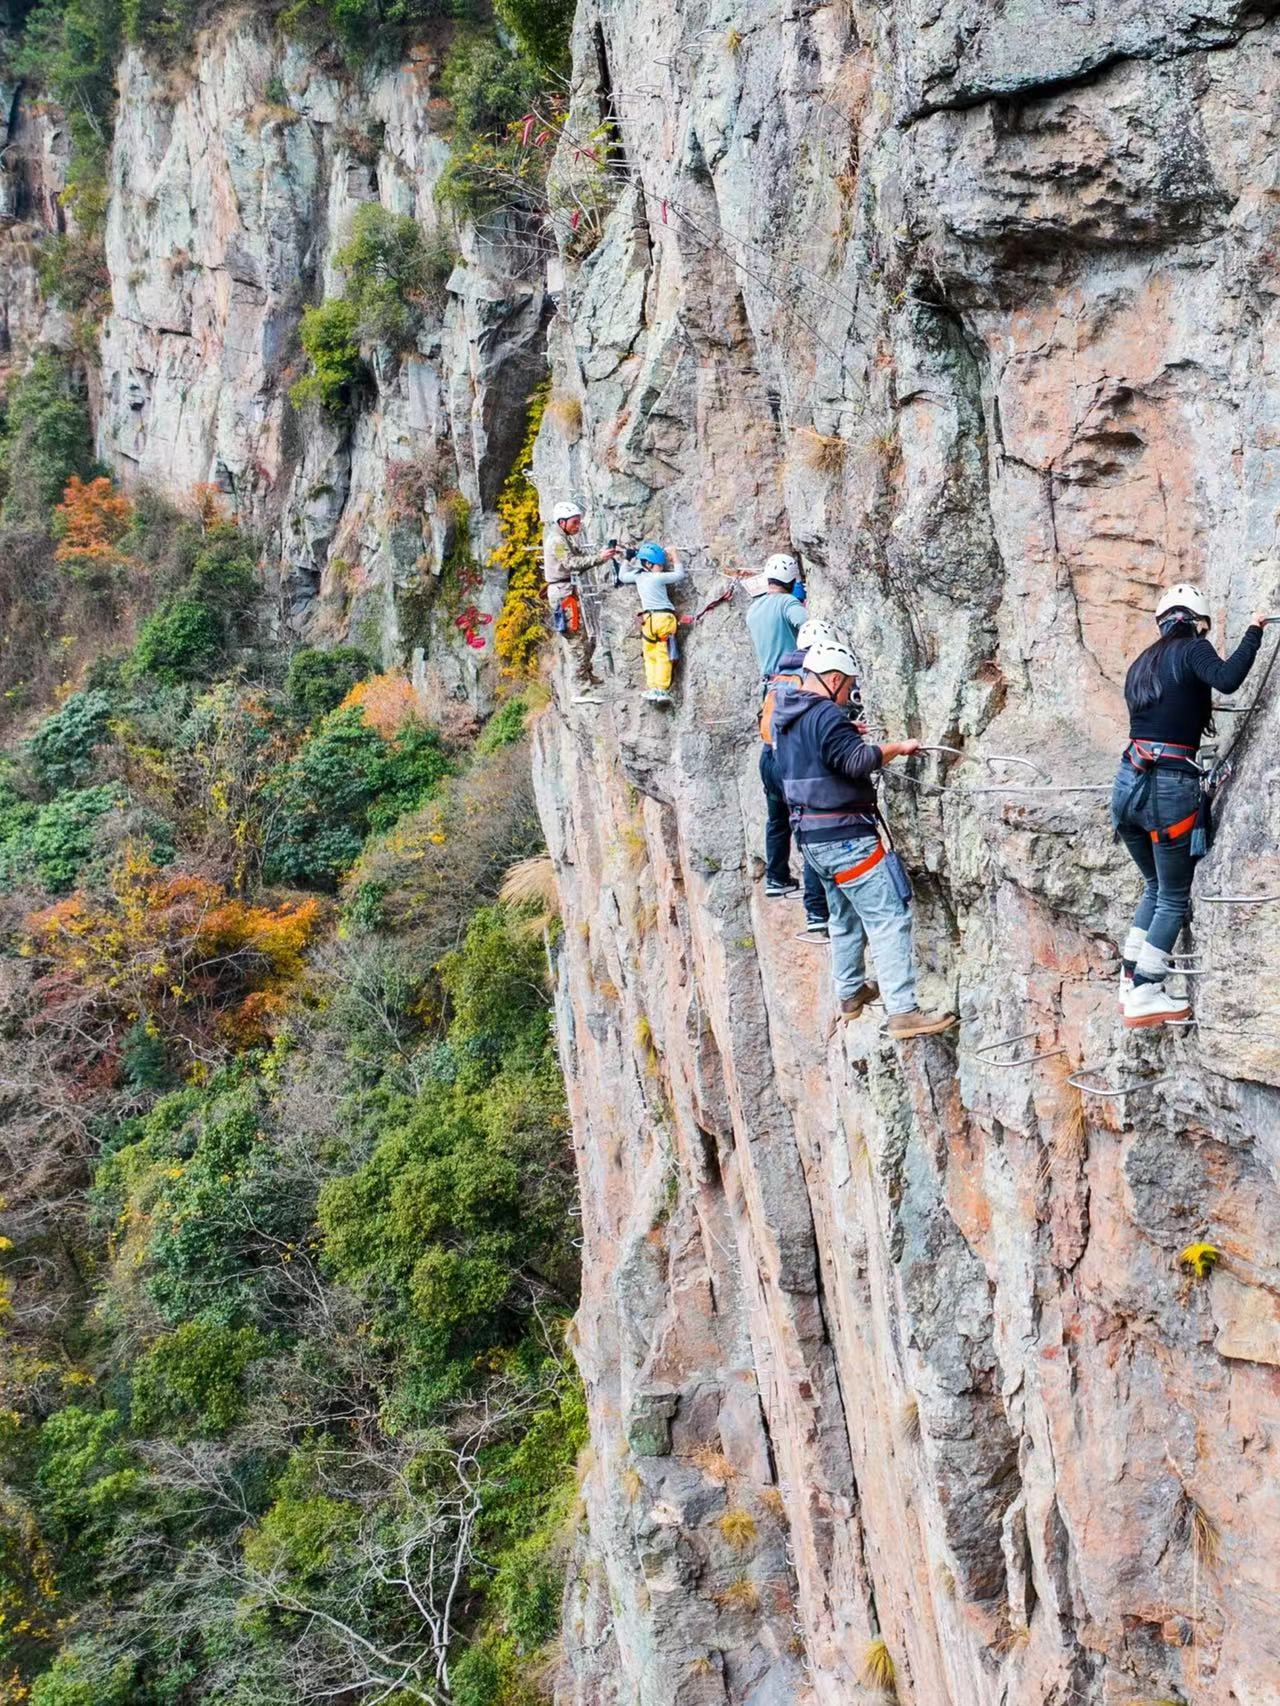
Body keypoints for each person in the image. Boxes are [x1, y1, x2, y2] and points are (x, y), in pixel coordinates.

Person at [771, 640, 956, 1037]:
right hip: (846, 838)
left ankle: (851, 991)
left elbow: (821, 752)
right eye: (848, 685)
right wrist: (896, 748)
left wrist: (842, 734)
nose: (847, 694)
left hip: (811, 839)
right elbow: (856, 762)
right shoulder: (827, 716)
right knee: (888, 917)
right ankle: (903, 1011)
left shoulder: (787, 716)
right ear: (834, 678)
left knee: (843, 916)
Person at [1113, 584, 1267, 1028]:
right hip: (1166, 786)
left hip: (1127, 783)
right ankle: (1146, 990)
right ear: (1196, 621)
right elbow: (1228, 678)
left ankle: (1130, 978)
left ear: (1162, 621)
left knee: (1154, 886)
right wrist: (1253, 632)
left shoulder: (1142, 663)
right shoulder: (1192, 648)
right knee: (1174, 897)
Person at [757, 616, 842, 925]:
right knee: (808, 829)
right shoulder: (815, 675)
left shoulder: (778, 673)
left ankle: (776, 877)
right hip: (789, 762)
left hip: (767, 757)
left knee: (776, 820)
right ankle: (817, 909)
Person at [618, 541, 686, 704]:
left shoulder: (639, 576)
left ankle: (652, 687)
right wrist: (674, 555)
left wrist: (627, 559)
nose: (662, 568)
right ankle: (662, 689)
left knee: (650, 655)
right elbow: (679, 575)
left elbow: (622, 576)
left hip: (647, 621)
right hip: (664, 619)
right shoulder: (657, 578)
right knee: (663, 654)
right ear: (649, 564)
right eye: (659, 565)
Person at [543, 500, 618, 637]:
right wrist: (599, 558)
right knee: (576, 639)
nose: (578, 526)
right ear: (562, 523)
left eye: (579, 522)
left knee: (579, 638)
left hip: (566, 590)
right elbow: (571, 563)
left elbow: (581, 556)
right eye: (574, 522)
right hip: (563, 593)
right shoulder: (557, 541)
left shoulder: (564, 538)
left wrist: (602, 554)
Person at [730, 553, 807, 680]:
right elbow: (808, 625)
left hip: (770, 685)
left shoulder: (753, 609)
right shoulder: (787, 602)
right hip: (793, 680)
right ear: (791, 581)